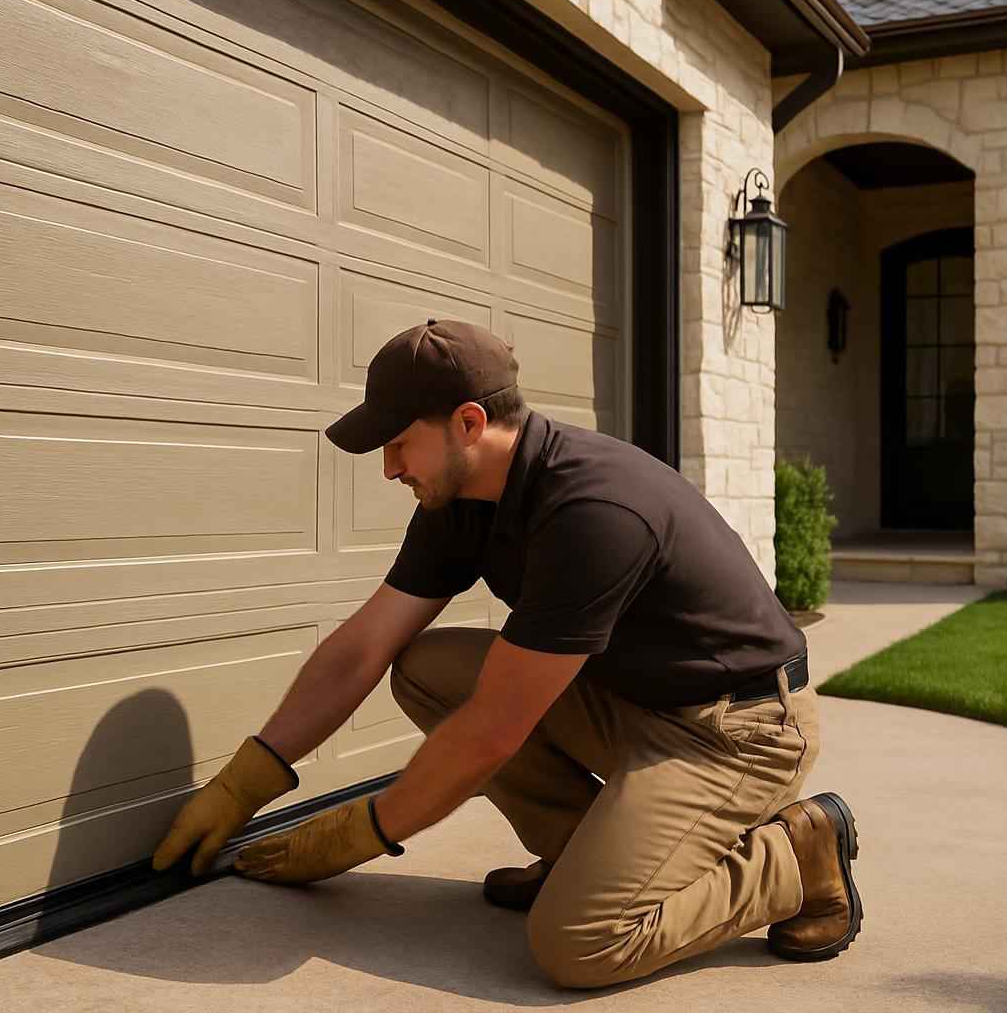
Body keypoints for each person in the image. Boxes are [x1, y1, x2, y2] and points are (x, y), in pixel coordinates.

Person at [151, 318, 863, 988]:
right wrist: (250, 778)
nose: (389, 468)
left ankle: (795, 858)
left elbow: (493, 731)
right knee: (430, 670)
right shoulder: (461, 498)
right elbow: (367, 643)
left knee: (581, 943)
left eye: (400, 443)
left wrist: (360, 832)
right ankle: (579, 854)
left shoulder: (595, 512)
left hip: (735, 733)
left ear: (468, 423)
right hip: (635, 700)